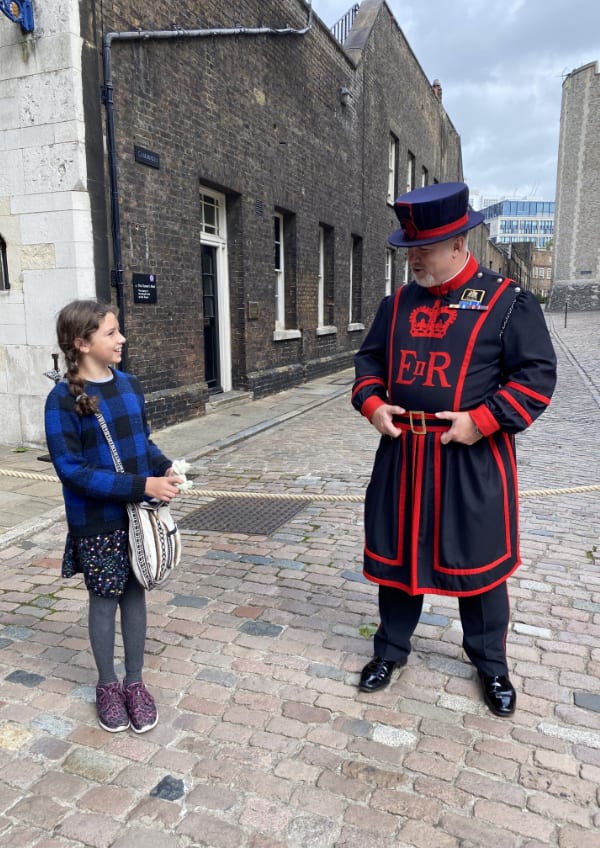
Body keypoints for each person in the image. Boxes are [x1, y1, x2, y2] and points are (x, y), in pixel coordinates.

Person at [352, 182, 557, 716]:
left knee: (480, 568)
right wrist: (373, 405)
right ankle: (390, 650)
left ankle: (491, 665)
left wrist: (483, 420)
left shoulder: (509, 302)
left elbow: (536, 377)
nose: (414, 258)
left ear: (460, 245)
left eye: (425, 249)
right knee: (399, 560)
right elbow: (368, 365)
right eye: (410, 249)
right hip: (405, 456)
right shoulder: (395, 304)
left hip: (472, 459)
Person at [44, 300, 183, 733]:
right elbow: (72, 470)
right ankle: (108, 686)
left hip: (137, 516)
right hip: (97, 519)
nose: (121, 338)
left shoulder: (131, 385)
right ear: (81, 343)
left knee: (136, 593)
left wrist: (164, 468)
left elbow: (142, 442)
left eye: (118, 330)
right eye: (110, 332)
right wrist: (142, 486)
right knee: (104, 599)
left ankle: (135, 682)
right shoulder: (62, 400)